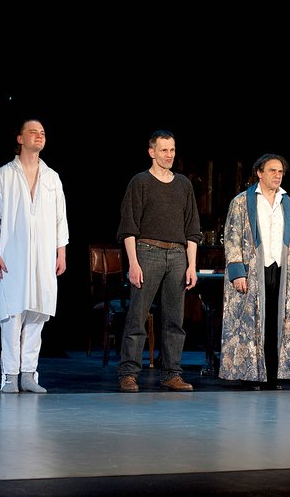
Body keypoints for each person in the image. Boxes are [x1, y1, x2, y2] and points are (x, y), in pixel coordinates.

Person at [0, 118, 69, 394]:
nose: (39, 136)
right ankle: (10, 375)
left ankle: (29, 374)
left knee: (37, 314)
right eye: (33, 132)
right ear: (20, 139)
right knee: (12, 315)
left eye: (42, 132)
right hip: (12, 255)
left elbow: (60, 218)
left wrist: (61, 252)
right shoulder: (3, 175)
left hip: (44, 255)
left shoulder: (52, 177)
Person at [116, 129, 202, 393]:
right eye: (164, 150)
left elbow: (192, 229)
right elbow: (128, 227)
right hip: (147, 252)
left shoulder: (183, 185)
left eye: (172, 150)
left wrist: (191, 265)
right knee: (137, 317)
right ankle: (129, 373)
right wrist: (133, 263)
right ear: (151, 152)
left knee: (175, 320)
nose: (169, 155)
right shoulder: (140, 182)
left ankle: (172, 373)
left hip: (177, 255)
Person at [219, 153, 290, 391]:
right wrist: (237, 272)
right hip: (252, 270)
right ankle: (251, 375)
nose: (277, 175)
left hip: (280, 268)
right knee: (252, 323)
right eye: (272, 171)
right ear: (259, 173)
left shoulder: (286, 202)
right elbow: (232, 237)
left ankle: (273, 375)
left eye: (280, 172)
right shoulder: (242, 201)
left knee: (275, 321)